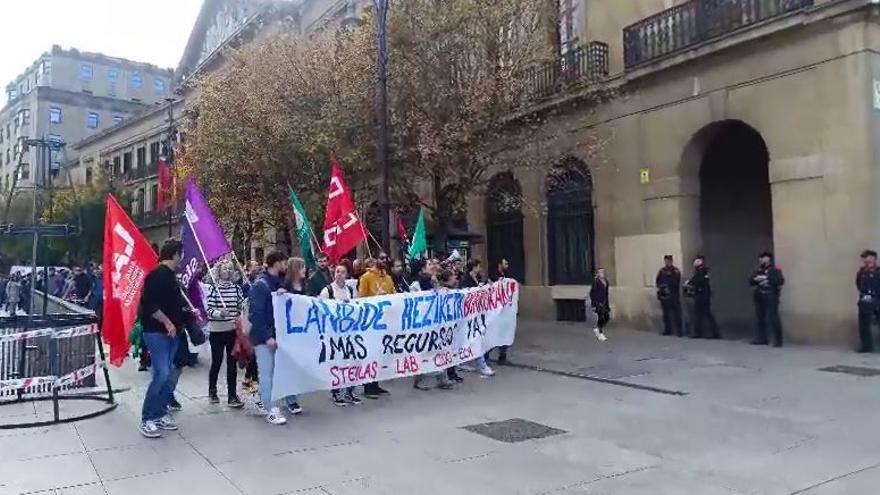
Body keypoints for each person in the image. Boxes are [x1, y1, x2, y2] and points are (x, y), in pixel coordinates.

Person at [137, 239, 188, 439]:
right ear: (175, 254)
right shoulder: (156, 275)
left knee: (166, 374)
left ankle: (159, 413)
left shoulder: (171, 276)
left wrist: (185, 313)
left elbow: (171, 303)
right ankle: (147, 417)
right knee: (161, 373)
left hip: (173, 331)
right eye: (181, 254)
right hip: (157, 332)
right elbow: (149, 305)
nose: (182, 258)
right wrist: (167, 322)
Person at [249, 252, 301, 425]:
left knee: (275, 373)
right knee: (267, 374)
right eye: (283, 261)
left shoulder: (277, 283)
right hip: (263, 338)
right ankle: (271, 410)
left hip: (276, 335)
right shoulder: (260, 285)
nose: (285, 264)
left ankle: (261, 400)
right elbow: (256, 314)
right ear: (276, 263)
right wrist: (267, 337)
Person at [319, 264, 363, 406]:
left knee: (352, 362)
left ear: (346, 274)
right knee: (337, 362)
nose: (339, 274)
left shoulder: (350, 289)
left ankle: (350, 391)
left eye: (342, 272)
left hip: (350, 332)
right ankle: (336, 392)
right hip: (335, 333)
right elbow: (321, 307)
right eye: (337, 271)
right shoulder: (328, 290)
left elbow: (357, 305)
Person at [206, 261, 246, 407]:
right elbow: (208, 310)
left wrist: (240, 315)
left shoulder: (237, 289)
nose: (227, 271)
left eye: (230, 269)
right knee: (216, 361)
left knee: (232, 363)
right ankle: (212, 391)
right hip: (216, 331)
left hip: (232, 331)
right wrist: (219, 313)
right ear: (219, 271)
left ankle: (232, 396)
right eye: (224, 268)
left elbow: (241, 307)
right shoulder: (213, 289)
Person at [413, 269, 456, 391]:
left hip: (438, 323)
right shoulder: (419, 283)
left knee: (441, 350)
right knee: (425, 352)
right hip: (425, 324)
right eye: (429, 264)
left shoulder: (439, 285)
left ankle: (442, 378)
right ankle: (419, 380)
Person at [358, 256, 395, 398]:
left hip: (385, 321)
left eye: (386, 258)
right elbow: (361, 299)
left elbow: (395, 295)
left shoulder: (388, 278)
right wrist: (376, 298)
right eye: (381, 258)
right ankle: (368, 387)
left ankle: (376, 384)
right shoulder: (366, 278)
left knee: (380, 354)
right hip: (371, 322)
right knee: (370, 355)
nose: (384, 260)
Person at [459, 259, 496, 377]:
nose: (479, 269)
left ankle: (461, 362)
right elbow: (466, 294)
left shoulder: (478, 278)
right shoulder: (465, 279)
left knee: (472, 339)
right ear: (474, 267)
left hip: (477, 313)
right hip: (469, 315)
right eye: (478, 266)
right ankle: (482, 365)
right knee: (476, 338)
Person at [750, 251, 785, 347]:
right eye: (760, 258)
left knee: (773, 318)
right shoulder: (758, 270)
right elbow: (750, 281)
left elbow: (780, 281)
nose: (761, 260)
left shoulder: (775, 269)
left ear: (769, 259)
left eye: (764, 258)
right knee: (760, 318)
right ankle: (761, 339)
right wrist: (755, 279)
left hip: (771, 295)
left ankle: (778, 341)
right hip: (760, 296)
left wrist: (767, 278)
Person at [684, 255, 720, 339]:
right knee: (699, 315)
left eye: (696, 262)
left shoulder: (702, 271)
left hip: (703, 296)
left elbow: (698, 281)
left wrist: (689, 283)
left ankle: (714, 333)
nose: (694, 264)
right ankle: (699, 332)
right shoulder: (699, 271)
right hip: (700, 296)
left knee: (706, 315)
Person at [856, 250, 880, 353]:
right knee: (864, 325)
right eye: (865, 258)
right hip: (865, 301)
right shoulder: (861, 272)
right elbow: (858, 284)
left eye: (869, 258)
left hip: (877, 300)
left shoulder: (878, 271)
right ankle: (866, 347)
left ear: (874, 259)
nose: (867, 260)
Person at [656, 255, 683, 336]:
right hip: (665, 296)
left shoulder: (675, 271)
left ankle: (679, 331)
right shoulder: (662, 271)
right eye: (666, 261)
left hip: (674, 295)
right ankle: (668, 330)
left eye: (669, 260)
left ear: (671, 261)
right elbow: (658, 281)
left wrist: (668, 286)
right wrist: (662, 287)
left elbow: (676, 282)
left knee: (676, 314)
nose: (667, 262)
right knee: (666, 314)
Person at [589, 268, 610, 342]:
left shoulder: (606, 282)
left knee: (607, 317)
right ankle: (600, 333)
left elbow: (606, 293)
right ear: (597, 274)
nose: (602, 274)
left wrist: (607, 303)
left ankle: (597, 328)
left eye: (603, 272)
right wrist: (594, 304)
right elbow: (592, 293)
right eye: (600, 272)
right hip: (598, 303)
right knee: (601, 317)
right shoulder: (596, 282)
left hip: (605, 302)